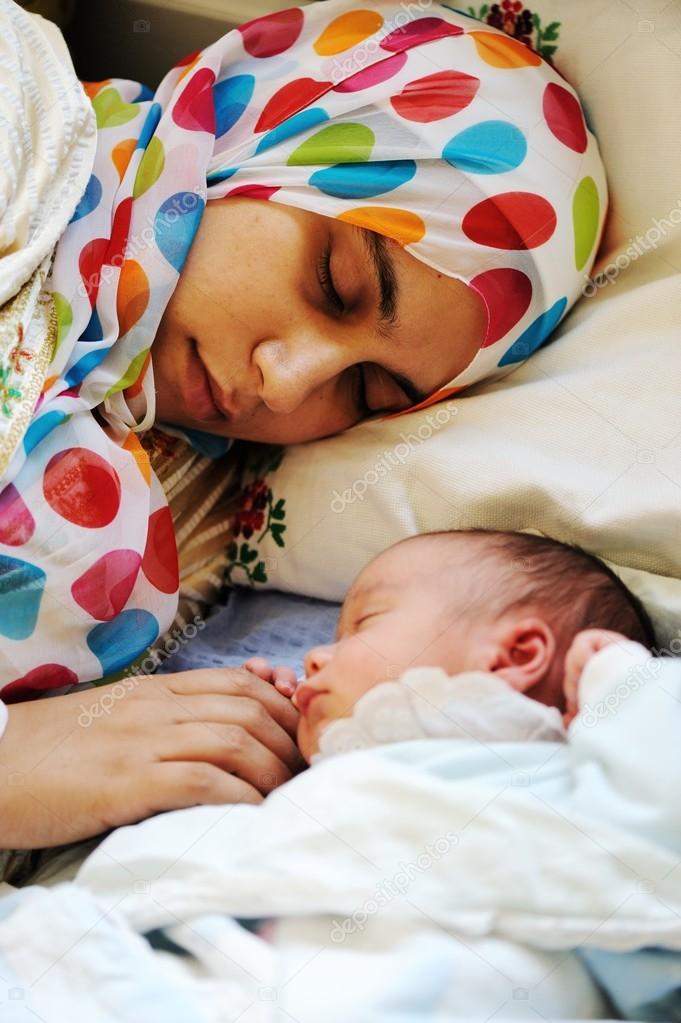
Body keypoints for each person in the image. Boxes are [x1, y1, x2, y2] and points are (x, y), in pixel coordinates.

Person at [0, 0, 607, 848]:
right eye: (334, 281)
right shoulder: (16, 117)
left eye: (366, 390)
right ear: (265, 129)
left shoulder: (188, 519)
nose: (284, 389)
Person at [244, 528, 656, 760]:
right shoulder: (334, 771)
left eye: (365, 624)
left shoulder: (590, 762)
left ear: (517, 656)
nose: (313, 657)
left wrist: (614, 678)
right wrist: (277, 739)